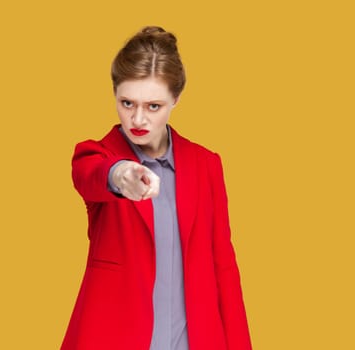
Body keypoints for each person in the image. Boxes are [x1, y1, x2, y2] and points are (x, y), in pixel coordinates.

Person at [61, 26, 252, 350]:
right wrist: (120, 175)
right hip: (116, 338)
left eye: (153, 106)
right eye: (127, 103)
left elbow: (223, 265)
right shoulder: (98, 155)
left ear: (175, 99)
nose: (137, 119)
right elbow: (90, 175)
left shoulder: (207, 164)